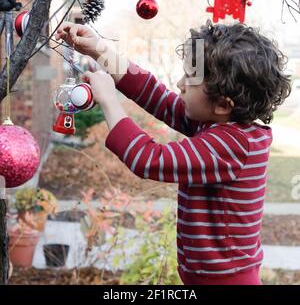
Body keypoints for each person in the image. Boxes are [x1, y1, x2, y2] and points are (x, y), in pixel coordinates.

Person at [55, 20, 291, 285]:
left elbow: (148, 160)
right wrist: (100, 50)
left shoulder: (231, 145)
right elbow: (153, 94)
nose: (179, 84)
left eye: (190, 80)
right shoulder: (217, 123)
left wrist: (109, 100)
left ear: (224, 104)